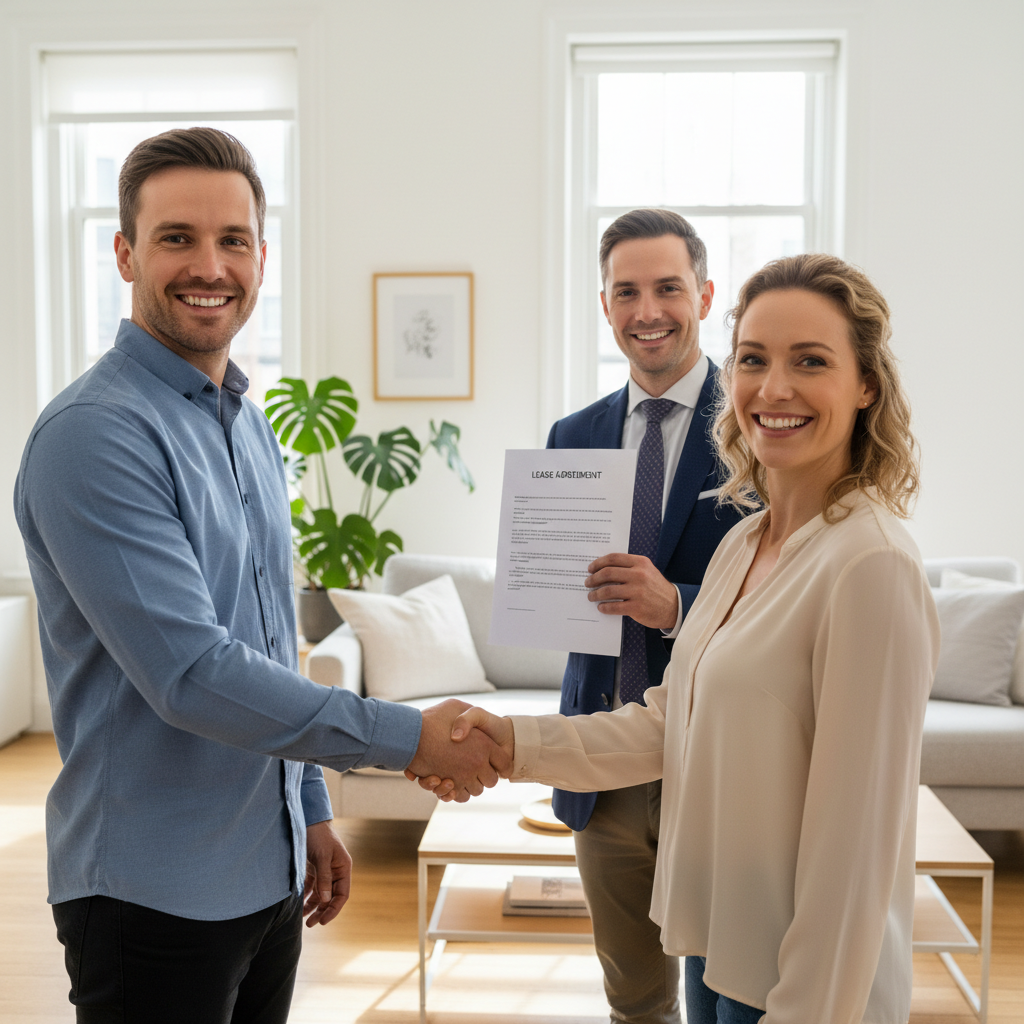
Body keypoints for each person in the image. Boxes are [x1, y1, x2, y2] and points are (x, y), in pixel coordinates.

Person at [14, 127, 503, 1023]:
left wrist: (308, 805)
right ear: (124, 253)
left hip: (267, 871)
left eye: (233, 239)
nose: (210, 266)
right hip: (151, 895)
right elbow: (192, 672)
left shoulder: (247, 420)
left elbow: (269, 637)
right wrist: (408, 738)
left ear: (261, 258)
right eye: (177, 237)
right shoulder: (94, 434)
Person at [427, 253, 941, 1023]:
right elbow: (667, 724)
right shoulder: (746, 543)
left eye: (810, 361)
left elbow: (855, 854)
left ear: (866, 384)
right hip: (717, 942)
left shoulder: (871, 565)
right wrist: (510, 741)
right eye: (753, 360)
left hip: (800, 981)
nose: (774, 388)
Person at [547, 209, 744, 1024]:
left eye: (668, 288)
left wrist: (679, 606)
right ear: (605, 305)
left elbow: (793, 592)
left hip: (719, 754)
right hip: (604, 761)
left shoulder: (761, 425)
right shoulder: (573, 436)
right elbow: (556, 588)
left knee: (727, 993)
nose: (648, 310)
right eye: (626, 292)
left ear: (704, 295)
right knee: (633, 999)